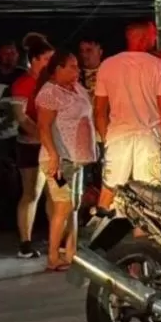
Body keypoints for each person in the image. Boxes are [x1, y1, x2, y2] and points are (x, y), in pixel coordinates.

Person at [94, 20, 161, 212]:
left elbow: (99, 110)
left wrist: (106, 139)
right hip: (149, 138)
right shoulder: (158, 66)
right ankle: (144, 235)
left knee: (109, 188)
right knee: (150, 194)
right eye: (153, 34)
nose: (155, 38)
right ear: (143, 38)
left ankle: (97, 231)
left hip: (117, 137)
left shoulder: (108, 65)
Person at [35, 50, 97, 272]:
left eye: (77, 66)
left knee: (74, 206)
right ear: (57, 68)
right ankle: (53, 256)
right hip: (59, 161)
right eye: (71, 66)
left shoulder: (77, 88)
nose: (76, 70)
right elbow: (43, 128)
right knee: (63, 205)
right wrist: (53, 156)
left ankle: (71, 253)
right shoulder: (50, 93)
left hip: (77, 159)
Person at [10, 34, 55, 258]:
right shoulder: (23, 83)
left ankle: (57, 239)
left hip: (51, 145)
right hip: (30, 145)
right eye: (48, 58)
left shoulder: (52, 83)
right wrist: (43, 135)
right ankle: (25, 244)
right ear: (35, 59)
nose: (51, 63)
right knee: (31, 193)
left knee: (54, 194)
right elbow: (22, 118)